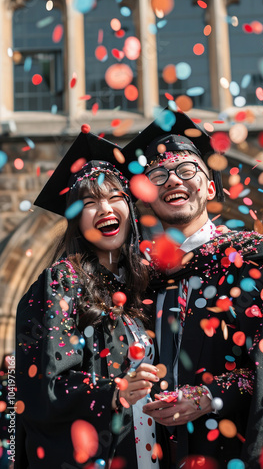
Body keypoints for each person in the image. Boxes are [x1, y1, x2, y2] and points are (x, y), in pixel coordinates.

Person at [122, 107, 263, 468]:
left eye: (186, 170)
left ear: (209, 186)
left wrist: (210, 395)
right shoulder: (142, 282)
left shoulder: (259, 262)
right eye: (157, 175)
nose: (172, 180)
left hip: (232, 451)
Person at [15, 131, 160, 469]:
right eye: (90, 202)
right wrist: (113, 391)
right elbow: (42, 383)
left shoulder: (140, 288)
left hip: (147, 452)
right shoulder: (62, 282)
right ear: (77, 219)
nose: (105, 209)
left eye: (114, 196)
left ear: (130, 207)